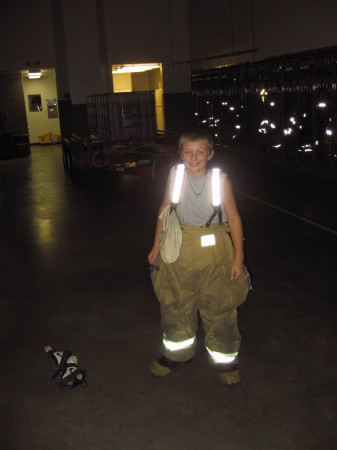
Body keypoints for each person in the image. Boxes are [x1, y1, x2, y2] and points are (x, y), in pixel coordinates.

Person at [148, 128, 250, 385]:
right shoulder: (176, 175)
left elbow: (235, 218)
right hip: (179, 247)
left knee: (220, 305)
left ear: (210, 154)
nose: (193, 158)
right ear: (180, 154)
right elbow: (164, 208)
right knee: (175, 303)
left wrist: (238, 258)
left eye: (200, 152)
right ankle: (177, 354)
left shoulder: (220, 180)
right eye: (188, 152)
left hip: (215, 250)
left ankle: (225, 360)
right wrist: (156, 245)